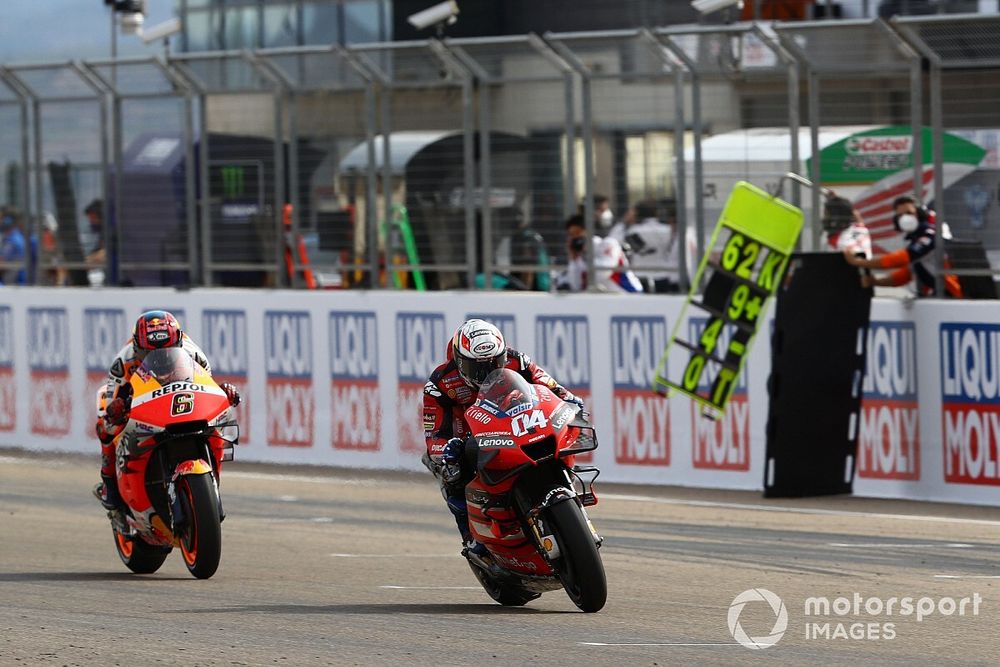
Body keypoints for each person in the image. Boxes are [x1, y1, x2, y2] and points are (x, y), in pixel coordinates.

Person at [422, 319, 584, 558]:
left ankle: (563, 492)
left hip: (515, 422)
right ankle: (471, 538)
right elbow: (434, 435)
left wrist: (570, 401)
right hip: (470, 433)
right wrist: (446, 449)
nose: (488, 372)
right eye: (478, 368)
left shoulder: (518, 360)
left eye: (496, 363)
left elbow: (552, 388)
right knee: (449, 471)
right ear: (459, 361)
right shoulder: (440, 384)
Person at [93, 310, 242, 510]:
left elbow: (206, 386)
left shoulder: (195, 355)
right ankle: (108, 480)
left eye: (168, 351)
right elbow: (113, 402)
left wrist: (224, 392)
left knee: (214, 424)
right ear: (138, 348)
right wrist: (117, 408)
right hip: (142, 407)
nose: (160, 359)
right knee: (106, 425)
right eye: (150, 354)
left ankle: (211, 475)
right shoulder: (123, 363)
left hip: (178, 404)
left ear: (178, 344)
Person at [843, 195, 962, 298]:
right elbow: (907, 274)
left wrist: (859, 262)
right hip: (935, 293)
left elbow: (901, 259)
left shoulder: (932, 233)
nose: (905, 218)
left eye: (909, 213)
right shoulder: (913, 238)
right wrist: (875, 281)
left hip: (952, 293)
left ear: (920, 214)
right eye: (900, 215)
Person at [554, 214, 642, 293]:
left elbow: (602, 273)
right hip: (606, 301)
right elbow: (576, 286)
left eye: (578, 233)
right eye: (571, 235)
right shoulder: (579, 257)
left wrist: (585, 256)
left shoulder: (608, 244)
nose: (576, 237)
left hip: (629, 294)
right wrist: (574, 260)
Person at [613, 199, 677, 293]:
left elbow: (613, 241)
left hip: (639, 273)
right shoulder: (668, 230)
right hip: (663, 273)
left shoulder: (632, 231)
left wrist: (624, 222)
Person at [822, 193, 871, 260]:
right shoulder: (861, 230)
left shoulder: (837, 242)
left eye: (827, 215)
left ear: (835, 217)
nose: (824, 218)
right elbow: (857, 217)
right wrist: (837, 201)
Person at [0, 208, 27, 285]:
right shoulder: (9, 236)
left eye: (1, 219)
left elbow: (3, 259)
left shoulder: (14, 239)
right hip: (10, 271)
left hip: (15, 275)